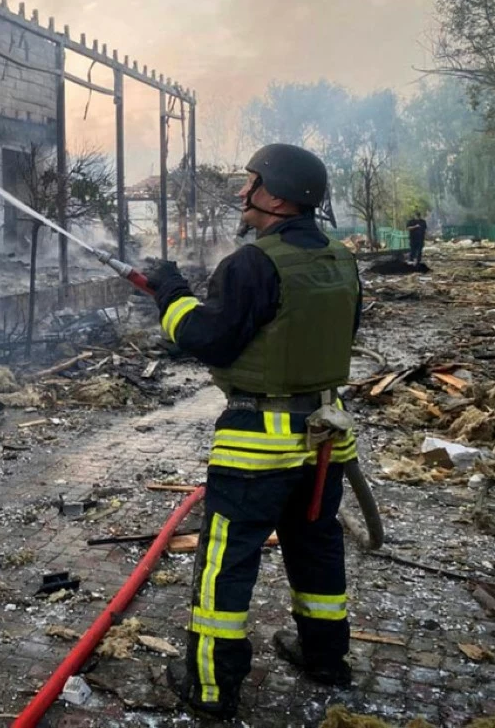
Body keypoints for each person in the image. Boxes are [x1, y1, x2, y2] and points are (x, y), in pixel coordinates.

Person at [145, 143, 362, 719]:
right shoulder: (341, 260)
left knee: (228, 560)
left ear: (278, 197)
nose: (243, 192)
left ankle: (211, 686)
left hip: (258, 442)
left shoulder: (253, 263)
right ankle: (325, 657)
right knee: (316, 545)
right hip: (325, 437)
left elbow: (206, 340)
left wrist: (170, 293)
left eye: (252, 182)